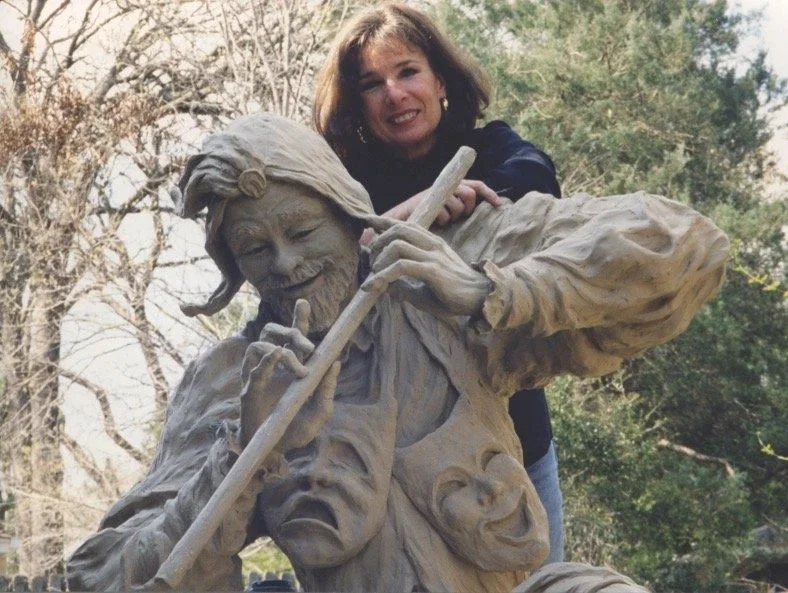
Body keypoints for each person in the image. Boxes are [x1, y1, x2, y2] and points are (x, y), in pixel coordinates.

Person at [67, 113, 729, 592]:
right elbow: (113, 575)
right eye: (254, 248)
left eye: (302, 230)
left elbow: (687, 246)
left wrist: (485, 291)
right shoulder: (230, 382)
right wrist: (245, 448)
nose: (286, 263)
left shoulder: (437, 274)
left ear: (349, 213)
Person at [313, 2, 566, 562]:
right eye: (372, 84)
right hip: (401, 464)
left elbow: (537, 178)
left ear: (440, 79)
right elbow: (325, 273)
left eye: (407, 72)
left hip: (518, 447)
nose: (395, 95)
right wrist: (397, 221)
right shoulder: (345, 188)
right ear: (357, 104)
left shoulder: (494, 148)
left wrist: (471, 195)